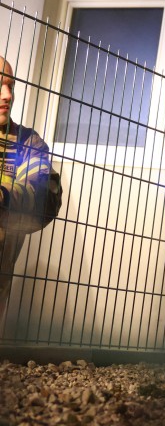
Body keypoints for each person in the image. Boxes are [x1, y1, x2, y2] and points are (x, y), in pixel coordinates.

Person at [0, 56, 63, 335]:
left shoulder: (28, 142)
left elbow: (38, 188)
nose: (7, 95)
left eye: (11, 86)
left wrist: (3, 196)